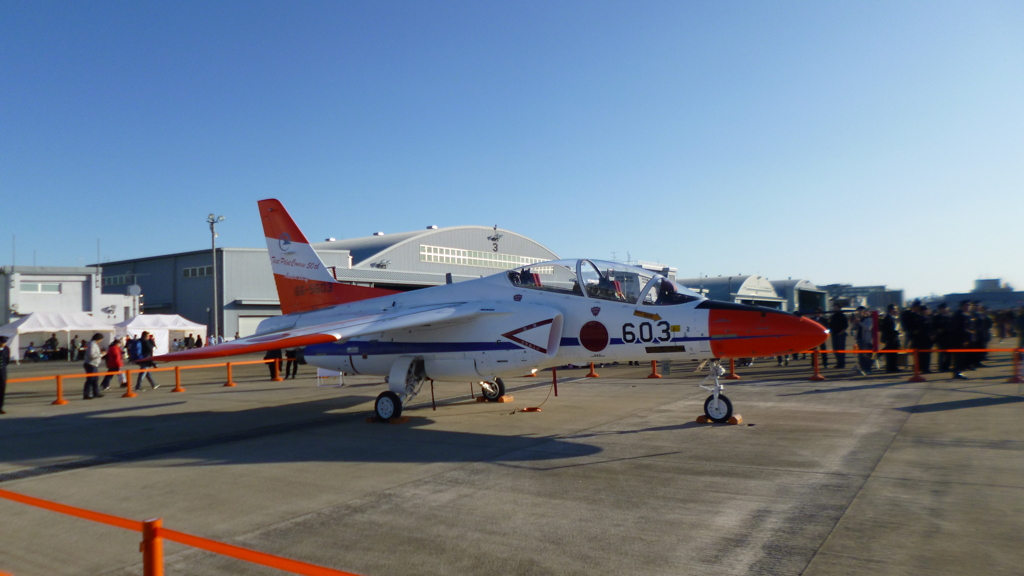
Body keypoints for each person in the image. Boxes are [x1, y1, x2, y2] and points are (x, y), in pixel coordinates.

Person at [949, 300, 972, 379]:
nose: (968, 307)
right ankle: (957, 372)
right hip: (958, 339)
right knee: (958, 357)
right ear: (963, 306)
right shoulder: (960, 315)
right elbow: (959, 329)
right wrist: (965, 338)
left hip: (957, 338)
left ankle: (957, 372)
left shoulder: (959, 314)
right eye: (967, 306)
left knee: (959, 357)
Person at [852, 306, 874, 376]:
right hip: (859, 339)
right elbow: (854, 328)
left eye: (860, 311)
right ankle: (862, 369)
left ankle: (868, 369)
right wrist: (854, 323)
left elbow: (868, 328)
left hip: (866, 340)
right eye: (858, 311)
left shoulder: (868, 319)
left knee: (866, 356)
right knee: (860, 356)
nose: (859, 313)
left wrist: (859, 322)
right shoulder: (859, 319)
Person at [880, 304, 901, 373]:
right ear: (891, 310)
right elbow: (886, 329)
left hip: (894, 338)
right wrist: (894, 332)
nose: (896, 311)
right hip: (890, 338)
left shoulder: (893, 318)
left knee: (894, 354)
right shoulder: (887, 318)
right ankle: (890, 368)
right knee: (890, 354)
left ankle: (894, 367)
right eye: (895, 309)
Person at [83, 333, 105, 400]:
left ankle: (96, 392)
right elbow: (92, 355)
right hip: (91, 364)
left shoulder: (93, 344)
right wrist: (101, 354)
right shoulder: (92, 345)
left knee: (95, 379)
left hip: (94, 364)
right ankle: (86, 394)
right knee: (90, 380)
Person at [829, 302, 849, 369]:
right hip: (834, 334)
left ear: (839, 308)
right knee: (835, 349)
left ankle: (842, 363)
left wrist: (842, 332)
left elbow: (846, 325)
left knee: (841, 349)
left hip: (841, 334)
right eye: (834, 307)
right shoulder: (833, 316)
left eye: (836, 307)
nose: (835, 308)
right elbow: (830, 325)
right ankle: (838, 363)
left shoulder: (842, 316)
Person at [933, 303, 952, 373]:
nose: (944, 310)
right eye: (942, 309)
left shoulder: (948, 317)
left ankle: (947, 366)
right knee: (941, 353)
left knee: (948, 354)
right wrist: (937, 331)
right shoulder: (936, 317)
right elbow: (933, 327)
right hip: (941, 337)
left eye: (945, 309)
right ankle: (941, 366)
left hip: (948, 337)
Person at [0, 336, 10, 414]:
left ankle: (0, 407)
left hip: (2, 372)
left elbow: (7, 361)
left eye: (5, 342)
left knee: (2, 390)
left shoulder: (7, 349)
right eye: (2, 342)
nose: (3, 344)